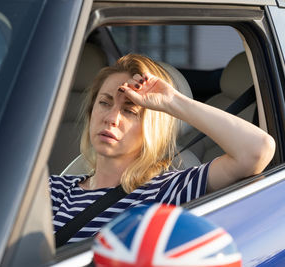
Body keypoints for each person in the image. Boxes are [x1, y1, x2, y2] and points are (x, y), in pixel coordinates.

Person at [50, 54, 275, 245]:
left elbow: (256, 150)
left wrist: (172, 101)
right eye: (105, 103)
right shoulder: (56, 189)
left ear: (152, 127)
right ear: (91, 112)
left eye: (130, 110)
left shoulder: (165, 191)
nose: (111, 118)